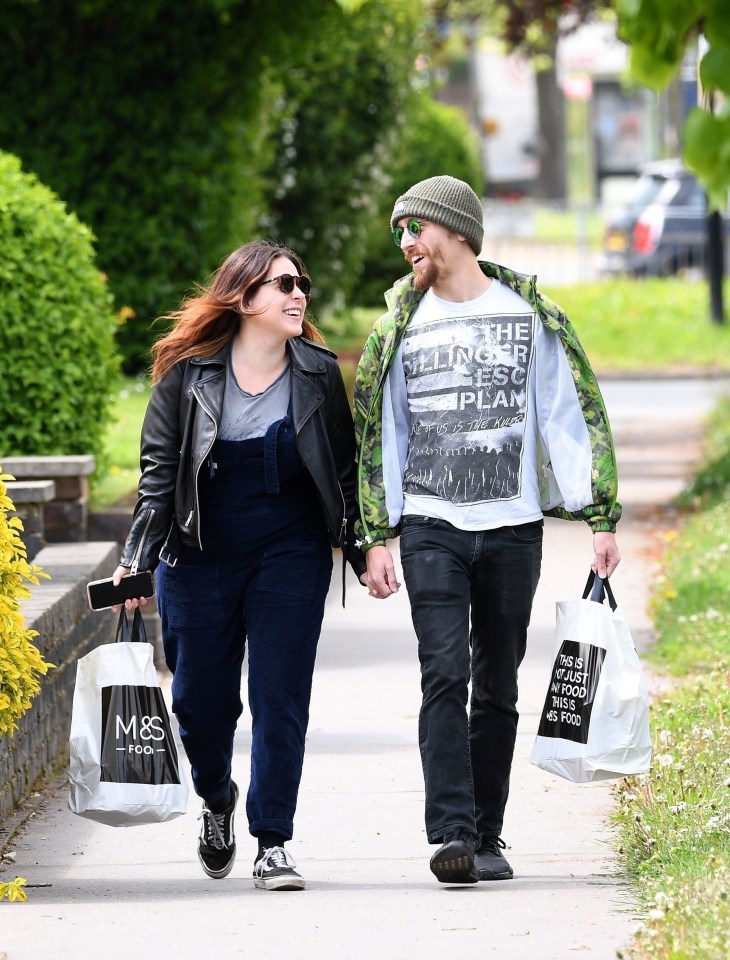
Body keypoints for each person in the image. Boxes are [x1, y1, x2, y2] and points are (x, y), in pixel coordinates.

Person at [354, 175, 621, 885]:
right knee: (444, 672)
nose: (406, 243)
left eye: (415, 229)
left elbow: (565, 416)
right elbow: (383, 435)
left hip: (512, 529)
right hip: (431, 524)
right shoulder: (399, 329)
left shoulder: (531, 317)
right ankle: (450, 833)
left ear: (456, 231)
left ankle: (488, 832)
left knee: (497, 682)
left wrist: (599, 514)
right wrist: (375, 535)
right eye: (399, 232)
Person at [112, 239, 366, 891]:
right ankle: (217, 796)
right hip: (199, 551)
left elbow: (341, 467)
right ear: (245, 296)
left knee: (280, 696)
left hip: (290, 546)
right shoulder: (187, 373)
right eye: (284, 284)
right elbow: (159, 476)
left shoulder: (315, 368)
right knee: (199, 702)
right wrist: (136, 561)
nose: (298, 294)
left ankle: (273, 840)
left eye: (300, 283)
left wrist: (365, 551)